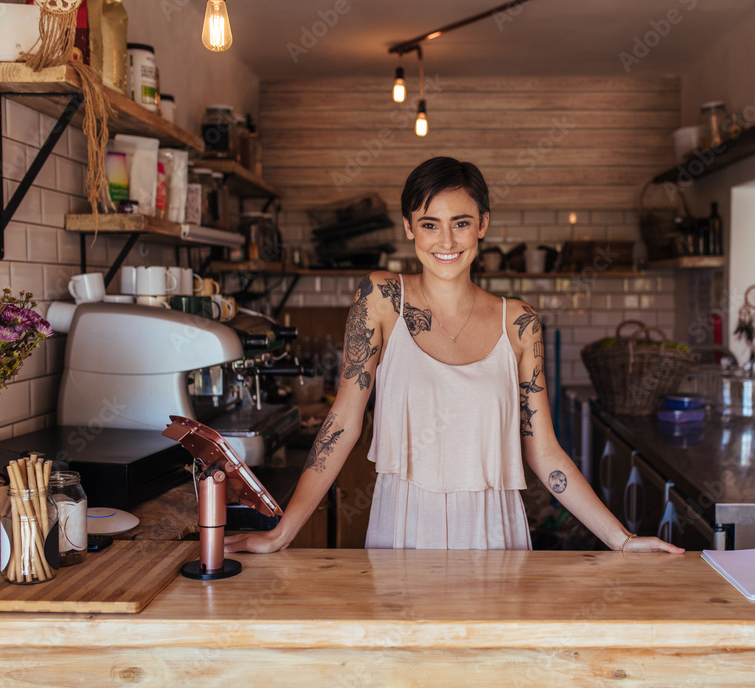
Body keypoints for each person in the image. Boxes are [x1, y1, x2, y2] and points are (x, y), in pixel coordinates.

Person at [225, 157, 683, 554]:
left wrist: (620, 539)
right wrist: (284, 530)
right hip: (402, 523)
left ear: (482, 224)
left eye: (461, 222)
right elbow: (343, 422)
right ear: (409, 227)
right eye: (429, 224)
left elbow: (543, 451)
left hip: (493, 529)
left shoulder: (519, 323)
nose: (446, 240)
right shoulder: (382, 297)